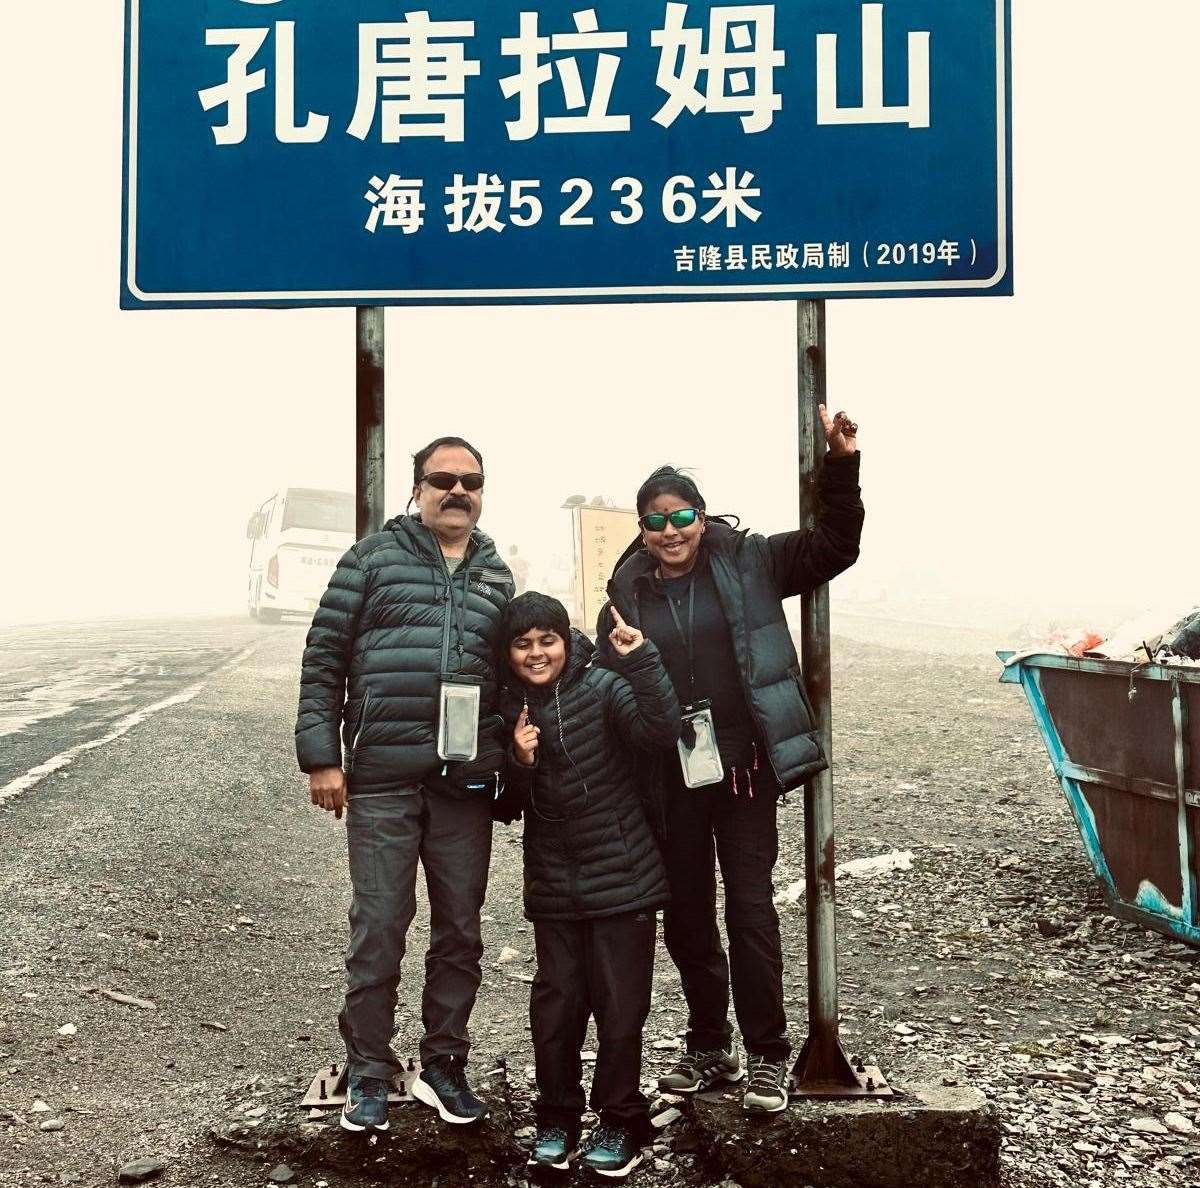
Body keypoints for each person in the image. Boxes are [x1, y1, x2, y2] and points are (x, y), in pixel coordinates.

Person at [595, 406, 863, 1115]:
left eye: (682, 516)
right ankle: (709, 1047)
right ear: (641, 529)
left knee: (749, 910)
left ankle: (769, 1053)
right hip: (670, 778)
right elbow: (607, 682)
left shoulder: (750, 560)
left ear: (703, 517)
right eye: (655, 521)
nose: (671, 531)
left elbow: (836, 545)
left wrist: (842, 465)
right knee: (685, 915)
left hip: (743, 770)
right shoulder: (625, 591)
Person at [295, 436, 515, 1133]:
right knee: (380, 926)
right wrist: (320, 757)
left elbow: (513, 676)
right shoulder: (371, 559)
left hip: (462, 787)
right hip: (383, 777)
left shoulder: (496, 573)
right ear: (416, 489)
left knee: (460, 932)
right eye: (442, 479)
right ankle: (368, 1069)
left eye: (471, 480)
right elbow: (324, 655)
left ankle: (445, 1063)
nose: (458, 491)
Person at [495, 592, 680, 1179]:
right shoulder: (508, 706)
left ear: (565, 639)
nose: (536, 653)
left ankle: (620, 1118)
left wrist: (642, 661)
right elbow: (504, 807)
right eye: (522, 645)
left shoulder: (602, 686)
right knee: (556, 1005)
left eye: (546, 640)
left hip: (623, 877)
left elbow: (659, 733)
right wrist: (518, 761)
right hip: (554, 884)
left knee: (620, 1006)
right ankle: (557, 1118)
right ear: (509, 653)